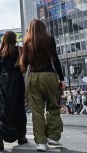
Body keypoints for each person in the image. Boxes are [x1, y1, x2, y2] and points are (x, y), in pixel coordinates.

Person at [19, 19, 66, 152]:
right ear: (43, 28)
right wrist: (62, 79)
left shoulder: (27, 42)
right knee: (53, 106)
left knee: (37, 112)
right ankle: (54, 137)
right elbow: (55, 60)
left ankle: (41, 143)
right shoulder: (49, 40)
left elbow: (24, 64)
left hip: (33, 77)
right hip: (49, 76)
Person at [0, 31, 28, 151]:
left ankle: (0, 132)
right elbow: (25, 68)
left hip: (3, 80)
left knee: (4, 108)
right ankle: (21, 136)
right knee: (18, 107)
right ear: (14, 39)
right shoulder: (19, 50)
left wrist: (1, 83)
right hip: (17, 79)